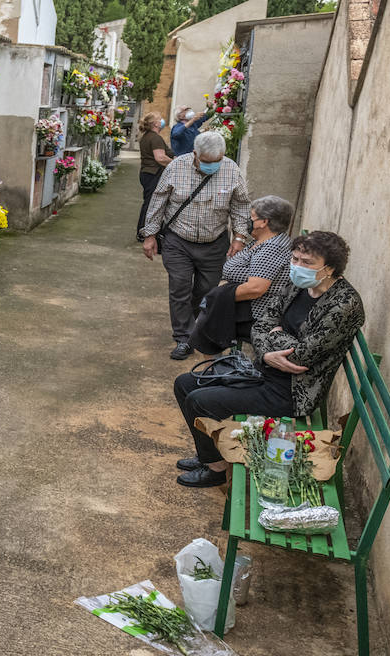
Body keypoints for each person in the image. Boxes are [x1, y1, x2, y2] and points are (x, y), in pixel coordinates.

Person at [172, 231, 364, 487]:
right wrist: (269, 352)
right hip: (264, 370)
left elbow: (302, 355)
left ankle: (216, 469)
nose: (296, 266)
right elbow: (263, 322)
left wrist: (273, 339)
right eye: (295, 258)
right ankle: (210, 456)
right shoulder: (299, 284)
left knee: (200, 400)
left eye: (307, 262)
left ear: (329, 268)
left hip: (291, 391)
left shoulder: (343, 304)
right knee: (185, 384)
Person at [141, 131, 250, 360]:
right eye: (207, 162)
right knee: (179, 287)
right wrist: (150, 235)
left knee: (206, 291)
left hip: (214, 242)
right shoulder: (176, 167)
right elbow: (158, 201)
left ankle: (192, 325)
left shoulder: (231, 170)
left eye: (217, 161)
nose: (213, 165)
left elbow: (240, 205)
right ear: (195, 154)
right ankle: (184, 338)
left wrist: (239, 237)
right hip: (178, 240)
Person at [188, 195, 294, 352]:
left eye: (252, 217)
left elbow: (256, 288)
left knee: (207, 318)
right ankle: (210, 367)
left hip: (255, 312)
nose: (248, 221)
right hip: (244, 305)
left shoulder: (272, 247)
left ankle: (210, 369)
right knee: (207, 313)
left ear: (264, 222)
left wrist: (219, 296)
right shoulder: (261, 241)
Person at [136, 112, 172, 241]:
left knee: (148, 202)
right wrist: (176, 163)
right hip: (153, 173)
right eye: (159, 119)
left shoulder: (146, 136)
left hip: (147, 172)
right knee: (151, 204)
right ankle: (143, 231)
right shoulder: (155, 138)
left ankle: (143, 230)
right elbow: (160, 158)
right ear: (155, 124)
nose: (162, 121)